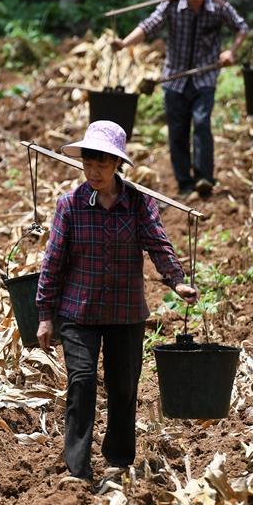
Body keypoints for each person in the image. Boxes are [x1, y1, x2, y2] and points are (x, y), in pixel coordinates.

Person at [35, 121, 198, 482]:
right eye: (88, 164)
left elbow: (158, 245)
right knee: (81, 381)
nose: (94, 172)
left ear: (116, 166)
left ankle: (118, 460)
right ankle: (78, 466)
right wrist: (45, 314)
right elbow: (53, 262)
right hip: (78, 311)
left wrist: (177, 282)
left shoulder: (138, 203)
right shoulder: (71, 205)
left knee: (124, 386)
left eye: (102, 165)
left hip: (125, 312)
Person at [113, 0, 248, 197]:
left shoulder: (219, 8)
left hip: (204, 77)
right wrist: (124, 43)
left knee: (202, 123)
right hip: (175, 79)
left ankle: (204, 177)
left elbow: (242, 27)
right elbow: (148, 27)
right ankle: (184, 182)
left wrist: (231, 52)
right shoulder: (170, 7)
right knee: (178, 131)